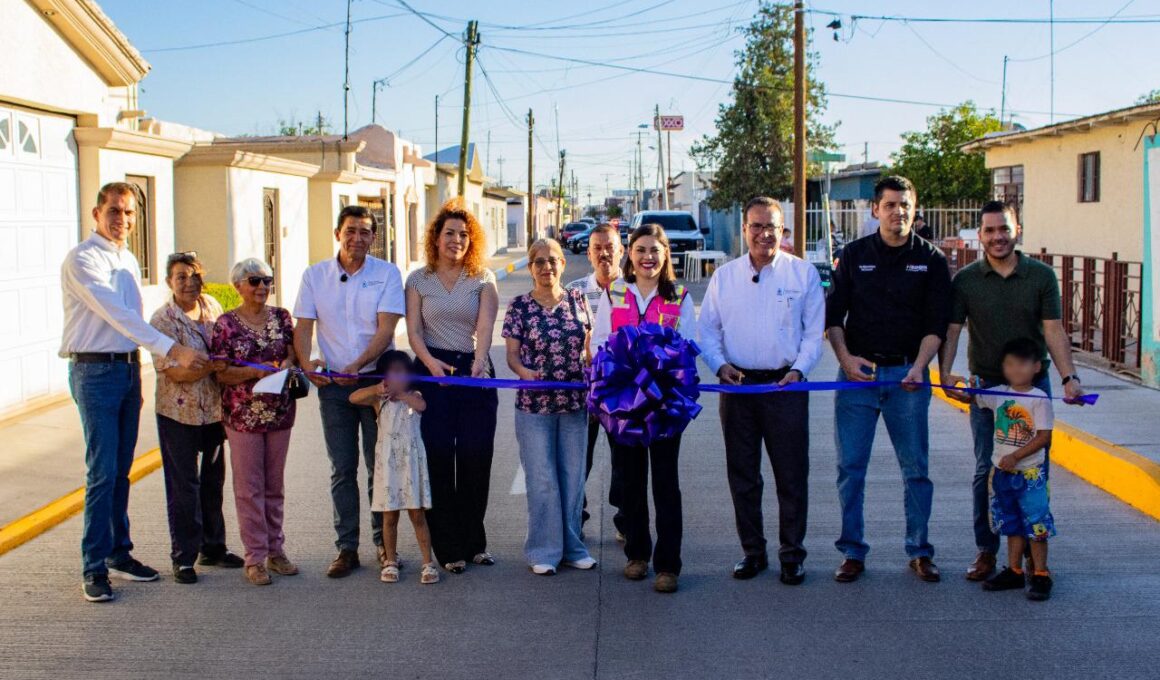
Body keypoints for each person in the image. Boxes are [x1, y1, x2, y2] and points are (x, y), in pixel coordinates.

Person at [61, 182, 207, 603]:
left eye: (128, 212)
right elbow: (117, 314)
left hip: (127, 371)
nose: (122, 219)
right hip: (94, 372)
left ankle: (118, 554)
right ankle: (93, 566)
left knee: (120, 471)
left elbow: (132, 323)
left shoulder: (126, 260)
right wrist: (171, 348)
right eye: (114, 211)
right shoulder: (82, 259)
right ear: (96, 213)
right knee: (102, 472)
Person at [938, 200, 1084, 582]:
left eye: (1004, 228)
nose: (997, 236)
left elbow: (1053, 329)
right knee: (986, 469)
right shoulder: (965, 280)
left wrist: (1069, 377)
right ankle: (987, 551)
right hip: (986, 389)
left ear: (1017, 230)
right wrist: (946, 373)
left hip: (1033, 389)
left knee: (1034, 470)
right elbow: (952, 330)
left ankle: (1036, 560)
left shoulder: (1041, 276)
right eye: (989, 230)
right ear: (980, 235)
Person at [825, 175, 952, 584]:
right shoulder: (854, 255)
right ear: (875, 209)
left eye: (905, 205)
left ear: (915, 210)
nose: (899, 212)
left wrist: (920, 366)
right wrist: (846, 360)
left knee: (916, 469)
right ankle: (852, 551)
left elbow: (937, 324)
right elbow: (833, 318)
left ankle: (919, 550)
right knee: (850, 468)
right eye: (891, 205)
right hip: (857, 379)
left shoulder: (931, 260)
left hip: (908, 378)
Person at [698, 197, 824, 586]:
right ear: (744, 229)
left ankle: (792, 554)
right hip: (738, 388)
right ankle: (753, 552)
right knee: (743, 475)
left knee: (791, 475)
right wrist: (719, 365)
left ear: (782, 230)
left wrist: (800, 370)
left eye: (771, 226)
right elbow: (707, 330)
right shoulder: (725, 277)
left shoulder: (803, 275)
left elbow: (813, 334)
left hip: (786, 386)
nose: (764, 234)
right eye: (756, 226)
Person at [293, 205, 405, 578]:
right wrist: (307, 365)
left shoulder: (386, 274)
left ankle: (383, 545)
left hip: (375, 384)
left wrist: (357, 364)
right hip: (333, 389)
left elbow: (386, 329)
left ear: (374, 237)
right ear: (337, 233)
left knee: (379, 467)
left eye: (365, 232)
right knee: (342, 468)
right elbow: (303, 326)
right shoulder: (315, 276)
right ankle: (346, 548)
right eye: (350, 230)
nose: (357, 238)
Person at [592, 223, 696, 594]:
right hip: (624, 405)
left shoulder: (680, 296)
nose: (648, 257)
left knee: (666, 483)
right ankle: (637, 555)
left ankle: (668, 565)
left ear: (665, 254)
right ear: (630, 255)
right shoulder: (615, 292)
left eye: (655, 250)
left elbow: (689, 345)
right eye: (641, 250)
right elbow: (599, 342)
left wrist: (661, 377)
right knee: (630, 480)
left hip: (664, 405)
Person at [405, 199, 499, 575]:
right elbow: (414, 331)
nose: (456, 240)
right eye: (449, 233)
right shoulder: (418, 280)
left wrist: (479, 361)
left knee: (476, 457)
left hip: (473, 371)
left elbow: (486, 327)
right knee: (440, 457)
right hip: (433, 372)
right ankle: (448, 548)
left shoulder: (482, 278)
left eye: (463, 234)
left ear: (471, 240)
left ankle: (475, 543)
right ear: (436, 238)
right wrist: (430, 365)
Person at [149, 252, 243, 585]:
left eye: (194, 276)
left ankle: (213, 548)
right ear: (169, 282)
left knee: (213, 482)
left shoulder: (212, 307)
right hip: (177, 413)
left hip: (213, 410)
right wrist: (208, 367)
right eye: (181, 277)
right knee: (183, 487)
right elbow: (173, 371)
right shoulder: (162, 321)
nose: (189, 283)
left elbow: (227, 351)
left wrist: (222, 366)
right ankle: (184, 558)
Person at [504, 239, 596, 576]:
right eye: (539, 262)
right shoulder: (519, 306)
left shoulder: (578, 300)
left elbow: (589, 346)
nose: (547, 267)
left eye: (553, 260)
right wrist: (524, 372)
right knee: (542, 479)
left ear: (563, 264)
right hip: (534, 406)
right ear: (530, 268)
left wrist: (594, 368)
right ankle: (543, 550)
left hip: (574, 404)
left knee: (572, 479)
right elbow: (512, 356)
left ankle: (572, 547)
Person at [211, 259, 299, 586]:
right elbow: (221, 372)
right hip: (242, 415)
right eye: (254, 281)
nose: (262, 286)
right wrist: (254, 371)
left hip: (279, 411)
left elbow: (292, 352)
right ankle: (255, 557)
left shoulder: (281, 317)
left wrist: (286, 363)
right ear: (238, 286)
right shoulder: (225, 324)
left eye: (266, 280)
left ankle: (276, 550)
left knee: (274, 486)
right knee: (249, 489)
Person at [973, 338, 1056, 601]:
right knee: (1011, 523)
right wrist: (965, 386)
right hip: (1003, 474)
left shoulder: (1039, 399)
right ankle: (1014, 570)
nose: (1015, 370)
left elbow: (1044, 437)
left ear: (1036, 367)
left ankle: (1040, 573)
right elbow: (973, 396)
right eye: (1009, 364)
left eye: (1022, 364)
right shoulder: (998, 393)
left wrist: (1016, 456)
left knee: (1036, 523)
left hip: (1030, 475)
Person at [349, 351, 439, 585]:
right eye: (393, 372)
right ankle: (390, 561)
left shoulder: (414, 395)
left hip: (411, 465)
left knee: (417, 515)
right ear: (384, 376)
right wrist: (375, 389)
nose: (398, 377)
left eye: (403, 372)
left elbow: (421, 405)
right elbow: (354, 398)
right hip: (388, 466)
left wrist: (403, 395)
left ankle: (428, 562)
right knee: (389, 516)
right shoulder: (379, 400)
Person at [565, 223, 623, 531]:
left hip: (622, 394)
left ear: (621, 251)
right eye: (597, 248)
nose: (604, 254)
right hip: (583, 391)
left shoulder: (632, 290)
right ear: (588, 254)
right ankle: (576, 518)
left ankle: (625, 521)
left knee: (625, 461)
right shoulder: (572, 292)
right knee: (577, 460)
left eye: (610, 247)